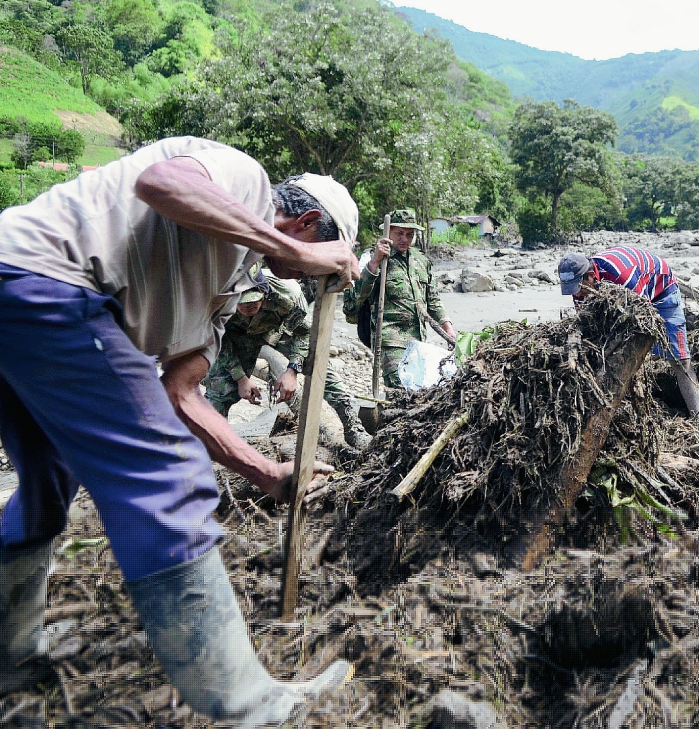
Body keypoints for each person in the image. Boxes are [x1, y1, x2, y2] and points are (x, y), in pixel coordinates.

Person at [0, 140, 359, 723]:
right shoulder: (245, 178)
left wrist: (268, 474)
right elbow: (161, 184)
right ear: (310, 223)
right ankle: (249, 708)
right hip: (48, 281)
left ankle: (11, 662)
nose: (303, 273)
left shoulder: (229, 287)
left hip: (17, 294)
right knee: (169, 480)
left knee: (46, 483)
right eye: (316, 254)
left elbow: (180, 393)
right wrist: (296, 250)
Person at [204, 265, 372, 448]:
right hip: (237, 335)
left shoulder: (287, 293)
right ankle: (209, 442)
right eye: (241, 301)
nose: (247, 305)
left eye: (253, 299)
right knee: (220, 387)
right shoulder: (216, 301)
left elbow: (304, 332)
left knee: (318, 363)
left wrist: (292, 370)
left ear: (264, 290)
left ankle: (353, 425)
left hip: (281, 328)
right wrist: (241, 378)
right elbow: (219, 340)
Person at [558, 246, 699, 416]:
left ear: (590, 275)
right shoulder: (581, 286)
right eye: (573, 290)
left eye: (580, 288)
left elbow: (643, 318)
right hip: (632, 291)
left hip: (660, 290)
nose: (578, 294)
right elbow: (587, 321)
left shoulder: (621, 277)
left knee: (680, 360)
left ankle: (698, 417)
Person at [344, 208, 455, 387]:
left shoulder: (421, 261)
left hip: (418, 338)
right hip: (389, 339)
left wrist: (448, 329)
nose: (405, 239)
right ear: (388, 232)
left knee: (418, 389)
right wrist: (375, 262)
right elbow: (353, 296)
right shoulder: (371, 257)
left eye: (410, 234)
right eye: (399, 233)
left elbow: (432, 300)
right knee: (401, 386)